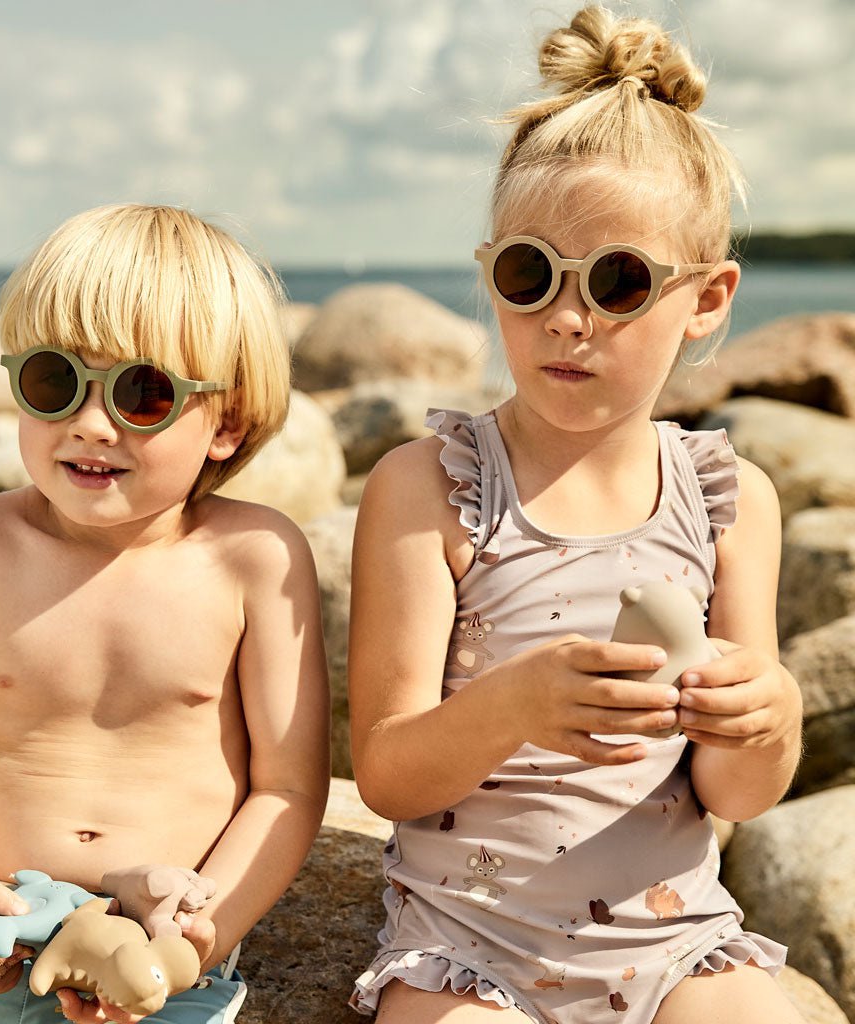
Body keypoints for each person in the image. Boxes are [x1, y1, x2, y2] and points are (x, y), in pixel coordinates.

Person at [347, 7, 804, 1024]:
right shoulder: (433, 487)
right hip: (467, 949)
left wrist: (764, 718)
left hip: (674, 937)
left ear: (707, 299)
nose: (566, 315)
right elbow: (383, 768)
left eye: (617, 281)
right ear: (489, 275)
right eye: (528, 274)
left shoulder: (729, 500)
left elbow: (734, 792)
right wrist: (512, 707)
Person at [0, 203, 330, 1024]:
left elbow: (288, 789)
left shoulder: (255, 559)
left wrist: (191, 944)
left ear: (230, 422)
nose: (90, 423)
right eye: (54, 380)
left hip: (160, 939)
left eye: (143, 394)